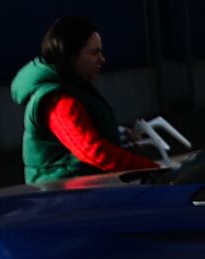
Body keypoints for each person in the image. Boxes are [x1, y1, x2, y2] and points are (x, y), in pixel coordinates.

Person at [15, 15, 155, 183]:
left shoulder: (72, 86)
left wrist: (122, 137)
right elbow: (93, 150)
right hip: (64, 198)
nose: (102, 59)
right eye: (95, 53)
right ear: (71, 56)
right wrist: (151, 169)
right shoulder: (59, 101)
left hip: (77, 191)